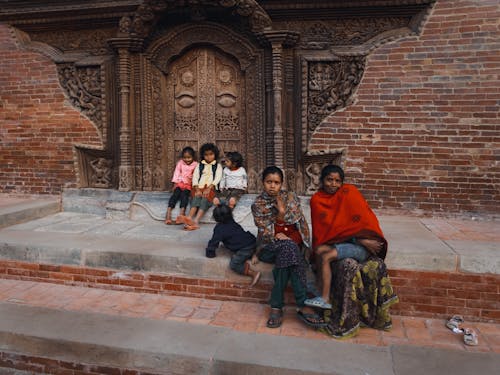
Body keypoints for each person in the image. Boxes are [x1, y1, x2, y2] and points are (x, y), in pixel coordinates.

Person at [307, 164, 398, 339]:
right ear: (321, 180)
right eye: (329, 180)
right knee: (319, 249)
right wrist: (358, 238)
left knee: (326, 256)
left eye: (337, 181)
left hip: (362, 248)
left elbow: (360, 222)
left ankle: (323, 298)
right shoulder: (317, 200)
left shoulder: (349, 193)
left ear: (342, 182)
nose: (333, 184)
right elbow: (329, 232)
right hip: (353, 242)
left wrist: (360, 239)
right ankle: (320, 288)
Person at [251, 166, 327, 329]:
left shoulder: (291, 198)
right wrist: (280, 215)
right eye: (269, 182)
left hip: (289, 246)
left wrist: (290, 238)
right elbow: (267, 234)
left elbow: (301, 227)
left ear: (282, 184)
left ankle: (276, 306)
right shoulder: (258, 204)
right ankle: (302, 304)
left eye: (276, 182)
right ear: (262, 183)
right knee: (289, 250)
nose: (272, 186)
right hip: (268, 248)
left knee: (287, 251)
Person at [205, 204, 261, 287]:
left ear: (216, 217)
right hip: (251, 240)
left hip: (245, 248)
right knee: (234, 244)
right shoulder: (232, 222)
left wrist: (210, 253)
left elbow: (213, 243)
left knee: (234, 264)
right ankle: (253, 253)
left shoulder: (219, 229)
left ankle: (253, 273)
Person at [177, 143, 222, 231]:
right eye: (206, 155)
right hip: (199, 187)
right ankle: (189, 218)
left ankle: (196, 221)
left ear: (215, 155)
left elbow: (217, 178)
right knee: (196, 198)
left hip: (210, 188)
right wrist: (197, 189)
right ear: (203, 155)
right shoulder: (200, 165)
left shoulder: (217, 166)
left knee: (205, 199)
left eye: (211, 154)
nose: (209, 157)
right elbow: (195, 177)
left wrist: (209, 188)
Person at [164, 147, 198, 225]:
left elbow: (196, 175)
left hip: (188, 185)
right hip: (180, 183)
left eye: (189, 157)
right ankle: (168, 213)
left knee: (184, 196)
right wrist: (175, 183)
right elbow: (177, 172)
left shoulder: (196, 164)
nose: (187, 160)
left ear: (193, 157)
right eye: (185, 158)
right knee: (175, 196)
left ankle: (181, 214)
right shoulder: (180, 163)